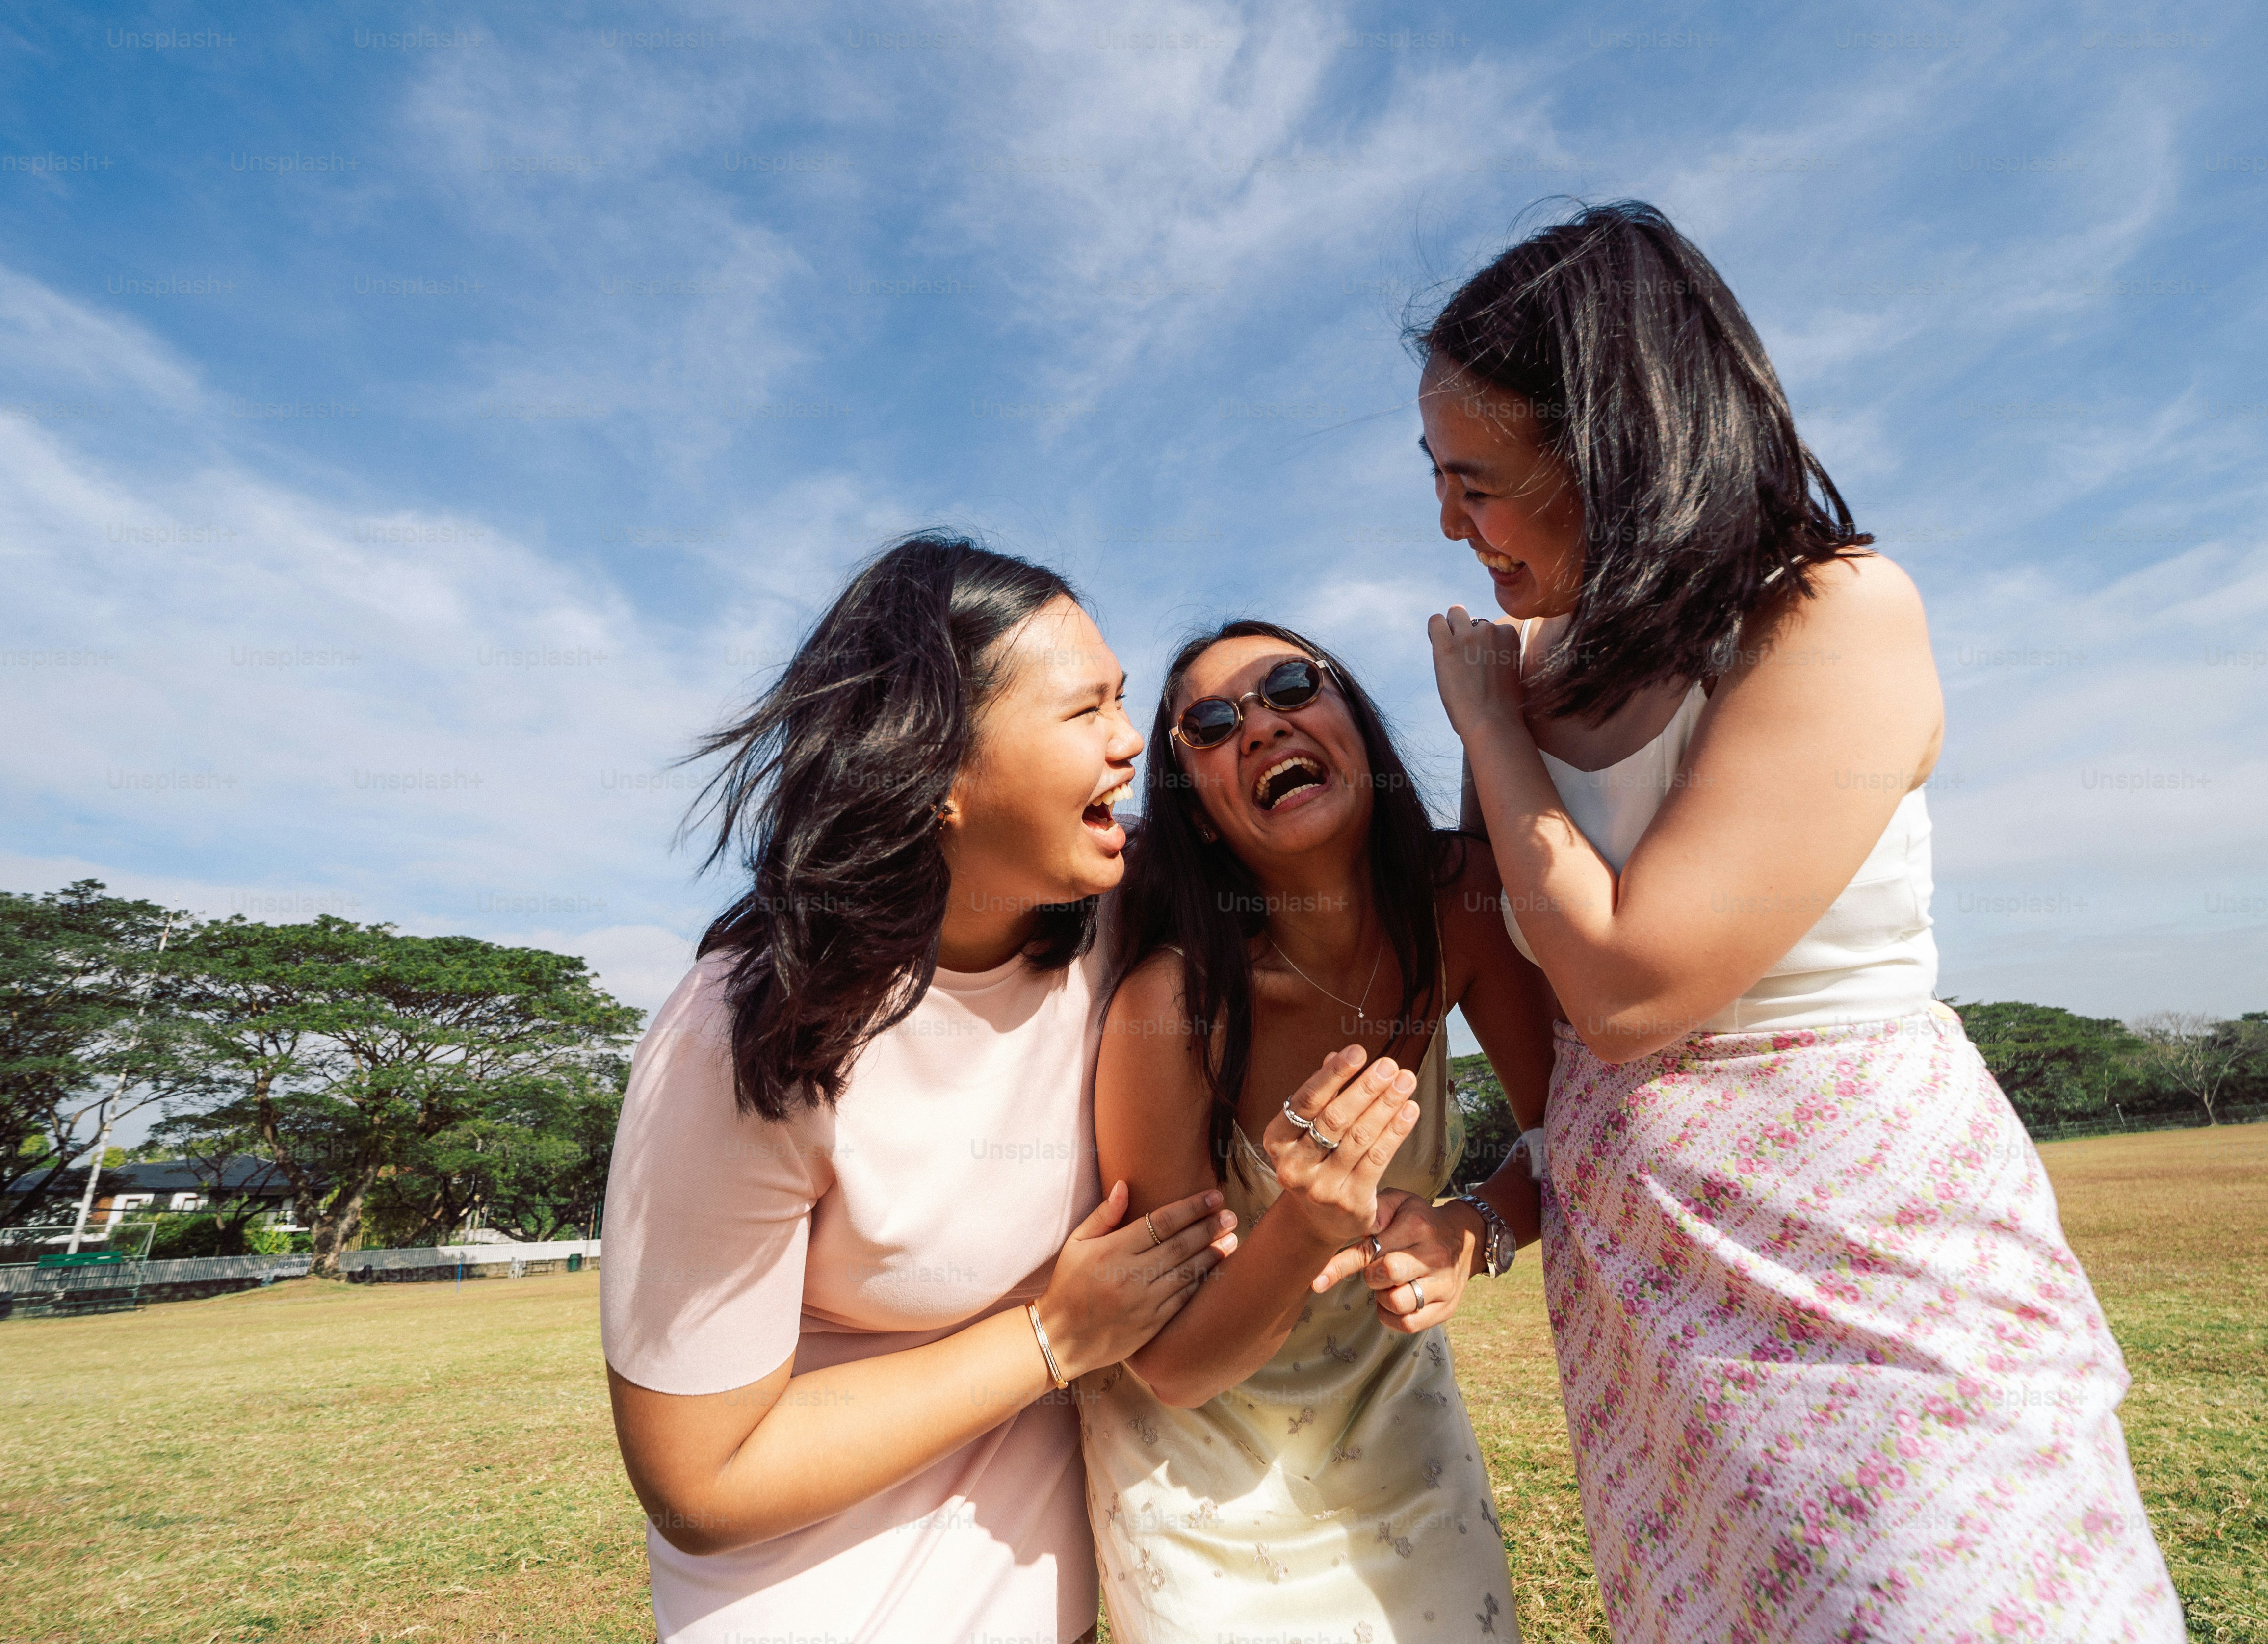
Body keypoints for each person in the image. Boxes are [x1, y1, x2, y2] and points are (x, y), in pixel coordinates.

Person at [1415, 202, 2182, 1641]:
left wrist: (1489, 728)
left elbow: (1631, 991)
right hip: (1643, 1291)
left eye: (1476, 481)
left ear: (1612, 447)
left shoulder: (1832, 614)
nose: (1448, 525)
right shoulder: (1526, 674)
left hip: (1860, 1241)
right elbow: (1534, 1020)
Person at [600, 535, 1240, 1644]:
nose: (1130, 744)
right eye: (1084, 711)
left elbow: (1361, 881)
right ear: (937, 765)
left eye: (1124, 702)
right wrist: (1052, 1336)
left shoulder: (1119, 913)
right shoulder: (747, 1029)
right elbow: (696, 1481)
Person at [1082, 619, 1561, 1642]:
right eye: (1210, 724)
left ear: (1353, 720)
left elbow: (1568, 1135)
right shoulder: (1174, 1005)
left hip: (1400, 1435)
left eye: (1288, 685)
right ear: (1202, 814)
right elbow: (1165, 1364)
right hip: (1200, 1475)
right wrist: (1306, 1222)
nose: (1256, 725)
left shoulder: (1458, 906)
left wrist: (1469, 1227)